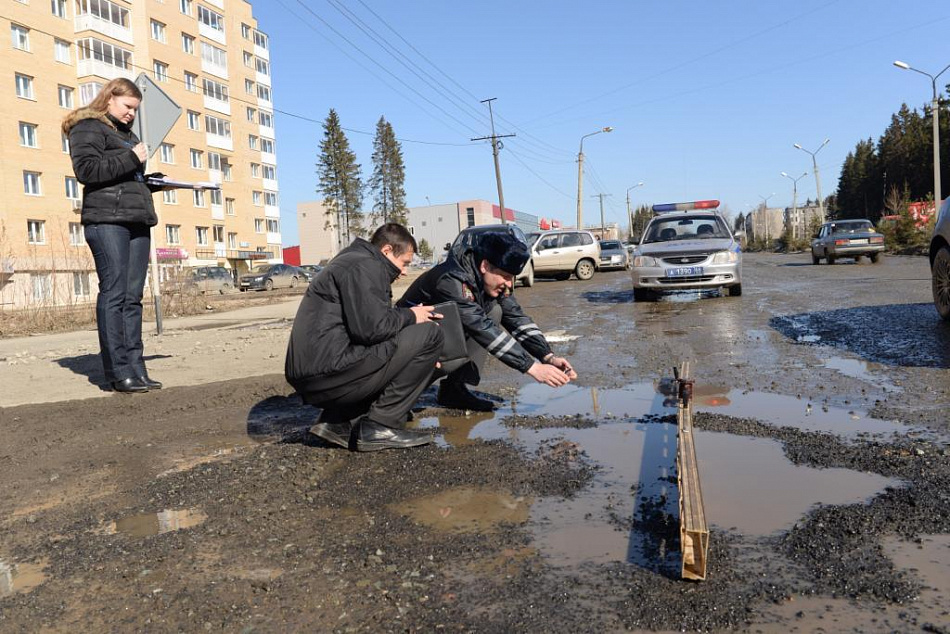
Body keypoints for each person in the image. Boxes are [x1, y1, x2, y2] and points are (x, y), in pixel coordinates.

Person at [285, 223, 445, 451]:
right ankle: (380, 426)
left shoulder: (355, 260)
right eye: (405, 263)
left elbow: (363, 326)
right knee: (431, 335)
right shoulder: (366, 265)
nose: (405, 271)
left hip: (318, 371)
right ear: (387, 250)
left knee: (414, 339)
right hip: (329, 370)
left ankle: (336, 421)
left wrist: (412, 346)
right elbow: (372, 330)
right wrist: (411, 316)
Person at [397, 232, 576, 411]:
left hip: (434, 340)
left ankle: (454, 390)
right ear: (485, 266)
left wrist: (547, 356)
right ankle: (396, 398)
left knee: (494, 311)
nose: (509, 284)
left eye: (512, 277)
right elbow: (480, 327)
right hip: (403, 348)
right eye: (505, 276)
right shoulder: (451, 279)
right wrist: (531, 367)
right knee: (476, 330)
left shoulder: (490, 282)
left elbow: (516, 317)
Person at [63, 78, 164, 394]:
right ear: (109, 98)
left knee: (133, 298)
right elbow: (88, 171)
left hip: (135, 219)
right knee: (115, 293)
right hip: (107, 220)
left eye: (135, 109)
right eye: (127, 106)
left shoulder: (126, 134)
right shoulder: (88, 127)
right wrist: (133, 158)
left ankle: (137, 367)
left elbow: (121, 174)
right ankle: (118, 372)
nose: (132, 113)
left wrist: (150, 182)